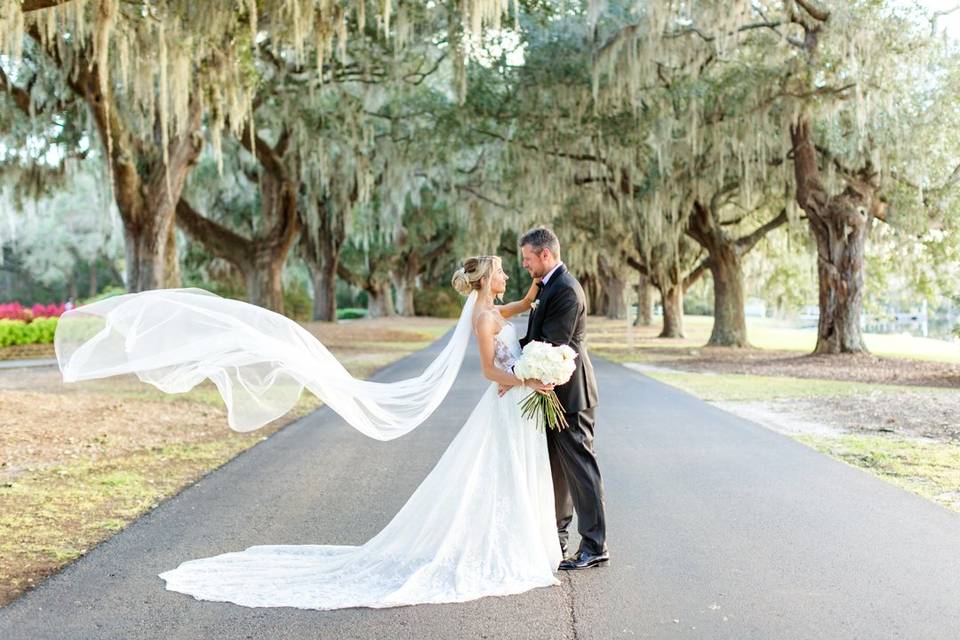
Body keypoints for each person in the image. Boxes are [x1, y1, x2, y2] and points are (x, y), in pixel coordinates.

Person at [55, 254, 567, 610]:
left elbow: (514, 312)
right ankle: (501, 550)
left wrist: (532, 298)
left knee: (504, 480)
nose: (505, 274)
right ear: (486, 282)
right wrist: (528, 377)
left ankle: (511, 543)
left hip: (516, 402)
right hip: (507, 398)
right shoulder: (481, 318)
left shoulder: (492, 310)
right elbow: (487, 371)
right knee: (491, 479)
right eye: (501, 271)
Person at [511, 227, 608, 570]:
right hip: (553, 392)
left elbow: (551, 344)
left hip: (572, 392)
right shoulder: (548, 285)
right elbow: (537, 337)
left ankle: (595, 545)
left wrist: (511, 363)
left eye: (527, 259)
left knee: (581, 468)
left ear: (545, 255)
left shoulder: (566, 290)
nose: (525, 265)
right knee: (558, 470)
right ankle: (558, 537)